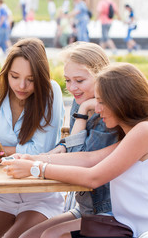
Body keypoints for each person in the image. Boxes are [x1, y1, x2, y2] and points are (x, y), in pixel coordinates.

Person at [3, 62, 148, 237]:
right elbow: (89, 159)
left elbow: (93, 177)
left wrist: (36, 169)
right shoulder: (132, 134)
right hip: (130, 225)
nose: (98, 110)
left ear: (122, 101)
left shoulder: (145, 131)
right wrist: (33, 158)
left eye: (101, 102)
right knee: (50, 234)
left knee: (52, 235)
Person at [0, 38, 65, 238]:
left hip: (39, 196)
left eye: (31, 79)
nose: (22, 85)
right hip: (2, 195)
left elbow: (40, 151)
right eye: (14, 76)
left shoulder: (50, 91)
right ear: (6, 73)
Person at [20, 42, 119, 238]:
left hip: (107, 211)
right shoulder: (81, 99)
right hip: (85, 208)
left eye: (80, 80)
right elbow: (71, 142)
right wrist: (54, 151)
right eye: (67, 80)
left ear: (101, 76)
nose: (72, 88)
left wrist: (82, 113)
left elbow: (80, 162)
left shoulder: (106, 113)